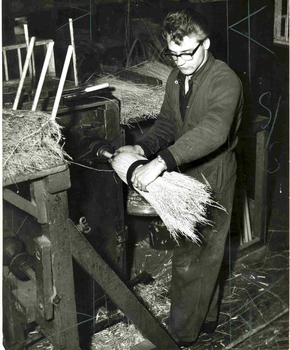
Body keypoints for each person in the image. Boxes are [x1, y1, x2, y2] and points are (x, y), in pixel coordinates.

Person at [114, 8, 243, 347]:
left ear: (206, 44)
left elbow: (214, 130)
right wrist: (143, 149)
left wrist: (162, 163)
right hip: (185, 171)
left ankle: (179, 337)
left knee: (193, 258)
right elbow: (168, 125)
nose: (181, 61)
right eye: (174, 54)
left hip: (213, 174)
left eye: (188, 53)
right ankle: (207, 321)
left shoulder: (225, 79)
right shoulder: (176, 78)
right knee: (201, 253)